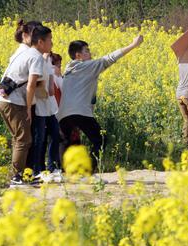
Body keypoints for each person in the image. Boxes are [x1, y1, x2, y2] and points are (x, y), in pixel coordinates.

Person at [57, 35, 144, 171]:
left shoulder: (69, 69)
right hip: (79, 111)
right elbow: (109, 59)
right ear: (78, 55)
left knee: (66, 142)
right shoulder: (86, 66)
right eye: (86, 51)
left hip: (63, 114)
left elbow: (91, 97)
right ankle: (88, 169)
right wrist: (133, 45)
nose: (90, 53)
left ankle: (64, 172)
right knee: (100, 139)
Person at [0, 24, 51, 185]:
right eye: (49, 40)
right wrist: (28, 108)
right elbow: (31, 85)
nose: (51, 43)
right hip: (14, 101)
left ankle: (22, 175)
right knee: (24, 139)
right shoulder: (36, 57)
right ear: (40, 42)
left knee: (19, 138)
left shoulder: (25, 52)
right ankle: (17, 176)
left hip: (4, 99)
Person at [32, 52, 62, 181]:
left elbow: (51, 89)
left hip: (50, 105)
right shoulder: (37, 59)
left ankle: (51, 167)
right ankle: (38, 169)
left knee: (55, 134)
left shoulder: (48, 60)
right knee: (40, 138)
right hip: (39, 105)